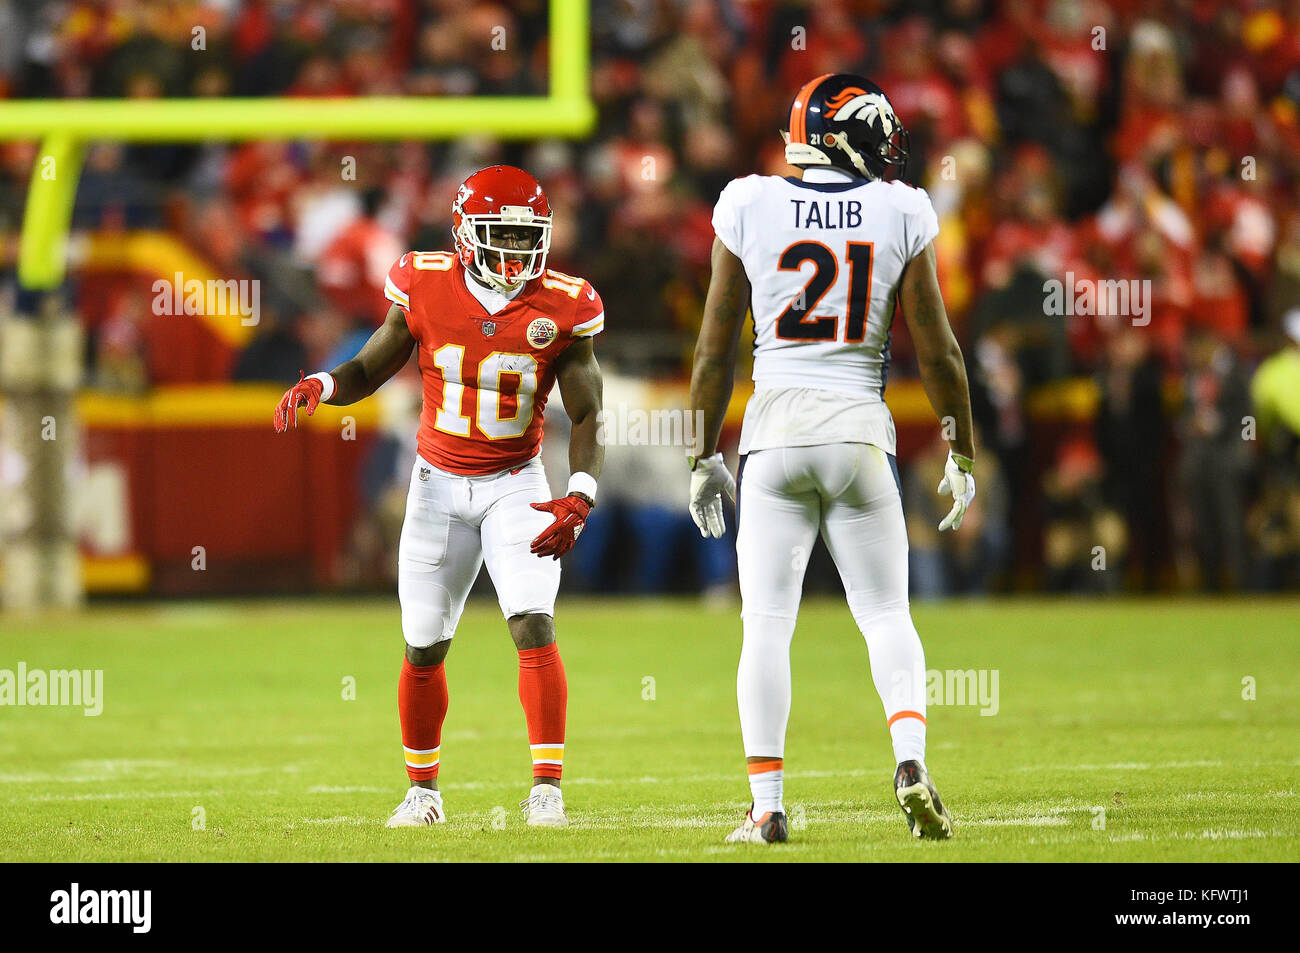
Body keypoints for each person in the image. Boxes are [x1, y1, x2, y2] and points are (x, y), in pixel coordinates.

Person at [688, 74, 976, 843]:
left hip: (774, 437)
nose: (889, 145)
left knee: (767, 626)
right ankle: (909, 760)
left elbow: (714, 349)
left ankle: (767, 805)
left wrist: (699, 455)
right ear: (846, 133)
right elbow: (939, 353)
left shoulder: (748, 200)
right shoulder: (902, 208)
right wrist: (963, 449)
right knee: (887, 614)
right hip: (857, 435)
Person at [273, 166, 605, 829]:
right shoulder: (425, 282)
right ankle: (422, 792)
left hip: (517, 482)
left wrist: (580, 494)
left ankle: (547, 788)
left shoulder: (564, 303)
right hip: (435, 486)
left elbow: (589, 410)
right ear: (465, 233)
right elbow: (371, 364)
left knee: (532, 619)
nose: (515, 254)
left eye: (526, 238)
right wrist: (323, 383)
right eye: (501, 237)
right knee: (423, 642)